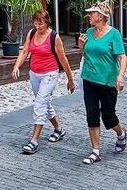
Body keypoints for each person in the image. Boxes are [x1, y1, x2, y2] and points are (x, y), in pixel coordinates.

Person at [9, 9, 75, 154]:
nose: (38, 26)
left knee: (39, 104)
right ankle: (59, 129)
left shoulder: (54, 37)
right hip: (34, 73)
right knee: (44, 103)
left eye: (41, 23)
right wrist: (16, 66)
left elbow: (63, 60)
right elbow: (25, 51)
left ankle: (34, 141)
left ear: (47, 22)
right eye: (36, 23)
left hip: (50, 74)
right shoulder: (31, 33)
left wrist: (70, 80)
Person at [76, 1, 127, 164]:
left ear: (101, 17)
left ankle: (121, 133)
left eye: (92, 13)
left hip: (107, 81)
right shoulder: (89, 32)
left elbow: (122, 57)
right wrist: (81, 46)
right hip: (89, 79)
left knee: (109, 116)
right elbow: (85, 55)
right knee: (92, 115)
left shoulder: (114, 34)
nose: (89, 16)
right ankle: (95, 152)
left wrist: (120, 76)